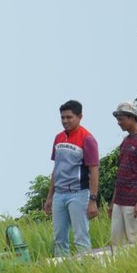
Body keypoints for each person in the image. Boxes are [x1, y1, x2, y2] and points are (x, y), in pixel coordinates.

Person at [42, 101, 99, 257]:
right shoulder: (58, 138)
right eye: (62, 117)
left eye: (69, 117)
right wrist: (49, 197)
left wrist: (93, 200)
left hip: (78, 193)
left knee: (81, 236)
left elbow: (94, 171)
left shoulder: (87, 139)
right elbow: (56, 169)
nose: (65, 121)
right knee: (59, 238)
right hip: (59, 194)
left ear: (79, 117)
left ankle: (85, 270)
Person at [109, 102, 137, 248]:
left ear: (132, 118)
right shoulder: (126, 141)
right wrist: (113, 201)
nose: (118, 123)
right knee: (116, 242)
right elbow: (121, 172)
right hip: (119, 201)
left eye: (121, 119)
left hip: (134, 201)